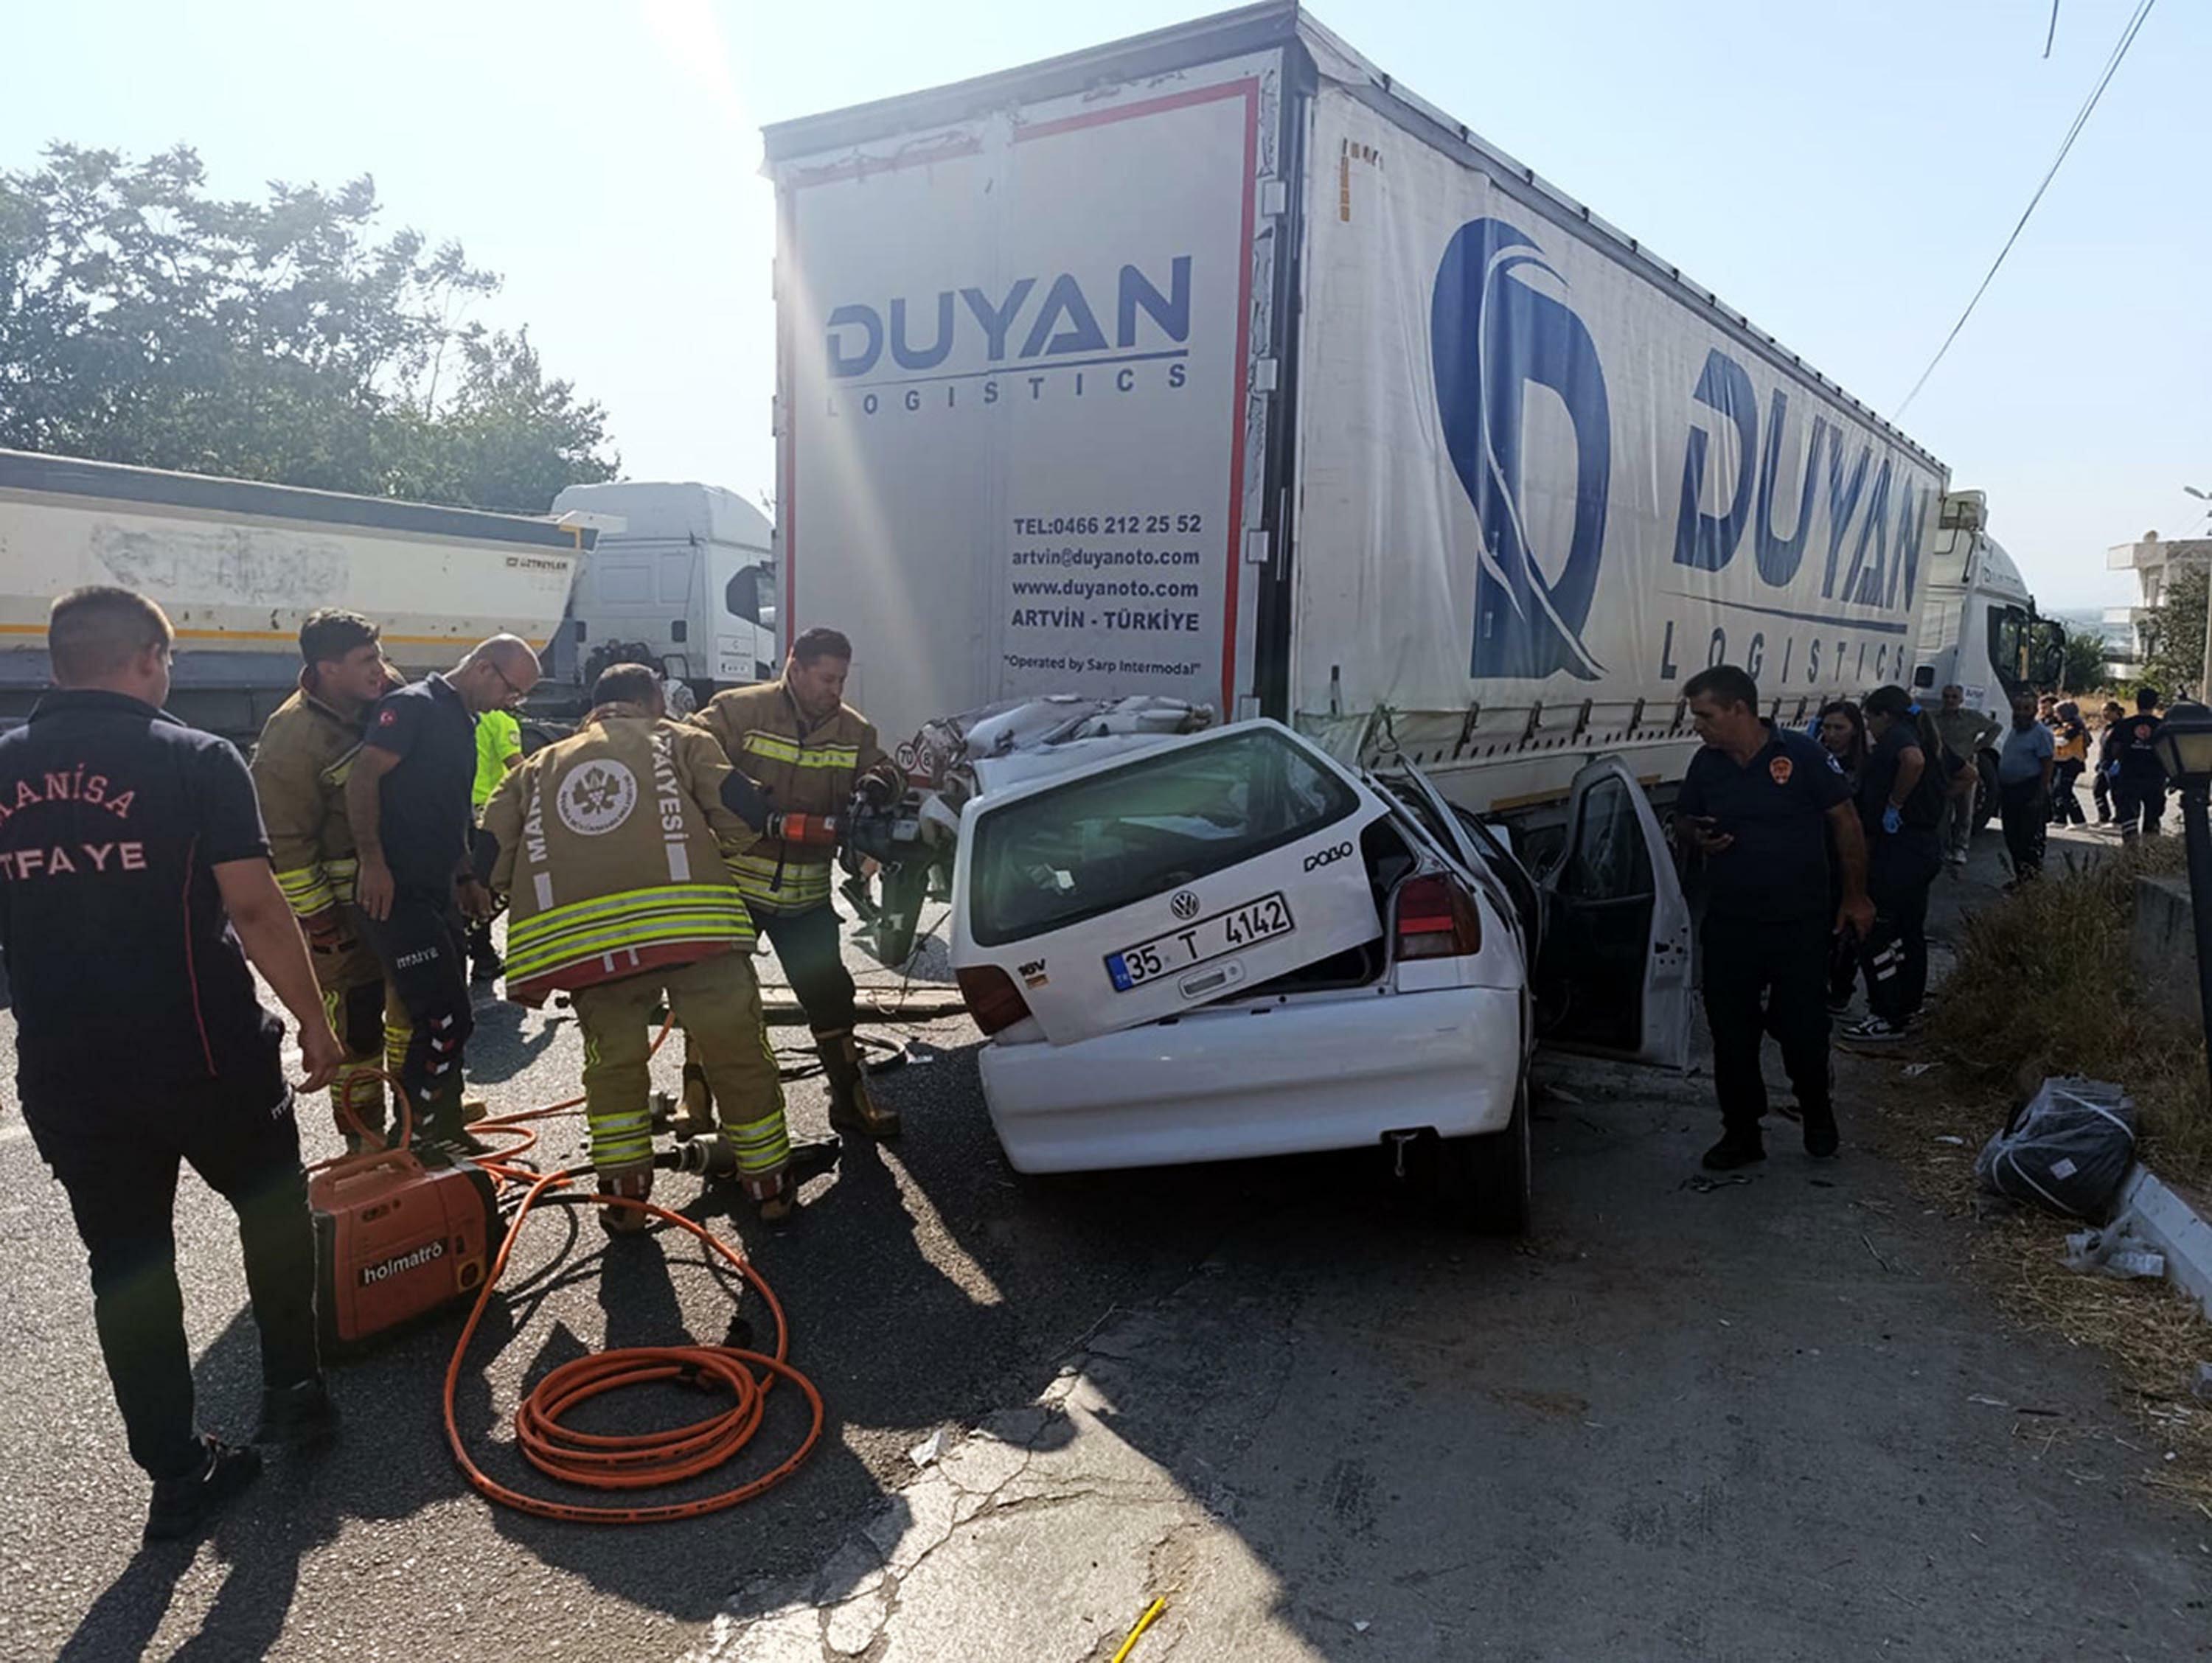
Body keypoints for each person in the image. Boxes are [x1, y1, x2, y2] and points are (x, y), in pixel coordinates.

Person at [0, 588, 345, 1542]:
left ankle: (176, 1471)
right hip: (202, 1052)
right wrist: (315, 1023)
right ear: (151, 657)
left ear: (58, 662)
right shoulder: (192, 759)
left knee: (128, 1266)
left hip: (70, 1072)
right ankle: (295, 1393)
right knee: (273, 1210)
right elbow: (257, 908)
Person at [479, 665, 796, 1224]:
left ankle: (624, 1201)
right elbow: (744, 815)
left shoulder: (533, 770)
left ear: (596, 706)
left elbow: (489, 857)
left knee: (612, 1067)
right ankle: (768, 1187)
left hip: (587, 950)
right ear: (651, 701)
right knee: (737, 1052)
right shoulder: (682, 742)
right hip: (693, 931)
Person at [692, 627, 904, 1140]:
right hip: (736, 888)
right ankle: (696, 1100)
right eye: (826, 678)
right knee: (714, 998)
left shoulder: (853, 730)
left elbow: (884, 770)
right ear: (795, 666)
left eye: (842, 679)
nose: (835, 689)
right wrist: (746, 810)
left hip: (805, 896)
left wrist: (881, 784)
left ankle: (850, 1101)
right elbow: (685, 757)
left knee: (830, 994)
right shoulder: (738, 711)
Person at [346, 635, 540, 1155]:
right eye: (512, 691)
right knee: (443, 1013)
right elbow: (363, 778)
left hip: (436, 888)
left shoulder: (465, 722)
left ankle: (444, 1127)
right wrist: (373, 861)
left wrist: (465, 877)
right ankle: (415, 1137)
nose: (510, 703)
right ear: (483, 668)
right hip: (395, 890)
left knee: (456, 1016)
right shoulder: (413, 707)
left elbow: (450, 813)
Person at [1675, 665, 1874, 1170]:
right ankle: (1742, 1132)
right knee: (1731, 1033)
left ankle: (1817, 1112)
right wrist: (1697, 836)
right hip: (1730, 922)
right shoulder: (1707, 764)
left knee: (1802, 1029)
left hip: (1798, 923)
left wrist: (1855, 898)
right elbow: (1683, 819)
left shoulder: (1801, 756)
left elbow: (1846, 823)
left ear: (1739, 709)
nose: (1697, 725)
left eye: (1705, 715)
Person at [251, 609, 402, 1151]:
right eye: (366, 660)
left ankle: (422, 1126)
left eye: (379, 656)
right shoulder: (292, 737)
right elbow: (286, 843)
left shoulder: (390, 699)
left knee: (415, 1017)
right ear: (327, 669)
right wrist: (319, 923)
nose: (380, 669)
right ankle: (365, 1142)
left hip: (404, 900)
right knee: (358, 1031)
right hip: (343, 917)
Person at [1840, 687, 1947, 1042]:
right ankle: (1906, 1007)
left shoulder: (1899, 737)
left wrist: (1896, 805)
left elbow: (1912, 762)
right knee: (1908, 931)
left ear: (1885, 715)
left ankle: (1886, 1013)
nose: (1867, 726)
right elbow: (1964, 776)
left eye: (1869, 718)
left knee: (1876, 930)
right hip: (1920, 846)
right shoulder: (1921, 734)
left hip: (1900, 849)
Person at [1815, 700, 1869, 1014]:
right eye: (1827, 727)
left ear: (1854, 730)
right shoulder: (1815, 758)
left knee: (1845, 924)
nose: (1832, 734)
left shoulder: (1864, 765)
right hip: (1816, 852)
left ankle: (1841, 987)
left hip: (1848, 855)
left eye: (1839, 728)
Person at [467, 703, 522, 982]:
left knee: (471, 882)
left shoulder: (467, 716)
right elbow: (517, 768)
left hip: (462, 810)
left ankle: (479, 950)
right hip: (489, 815)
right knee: (493, 885)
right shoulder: (501, 721)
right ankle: (483, 953)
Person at [1933, 684, 1999, 870]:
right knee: (1943, 810)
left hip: (1966, 768)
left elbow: (1995, 727)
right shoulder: (1934, 718)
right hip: (1943, 769)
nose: (1950, 701)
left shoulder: (1972, 718)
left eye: (1954, 697)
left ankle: (1960, 848)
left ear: (1961, 700)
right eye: (1946, 697)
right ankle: (1943, 847)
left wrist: (1981, 745)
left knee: (1965, 809)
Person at [1995, 688, 2056, 886]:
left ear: (2035, 711)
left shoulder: (2041, 734)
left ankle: (2031, 883)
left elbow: (2047, 765)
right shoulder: (2015, 730)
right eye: (2018, 708)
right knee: (2012, 837)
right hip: (2010, 791)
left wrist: (2040, 794)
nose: (2021, 712)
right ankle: (2020, 878)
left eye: (2026, 708)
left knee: (2029, 839)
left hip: (2029, 791)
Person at [2112, 686, 2168, 841]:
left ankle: (2131, 853)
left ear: (2137, 703)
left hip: (2130, 776)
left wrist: (2123, 759)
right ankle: (2150, 855)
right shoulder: (2163, 726)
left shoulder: (2124, 725)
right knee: (2153, 817)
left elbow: (2115, 750)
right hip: (2155, 777)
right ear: (2155, 704)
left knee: (2129, 816)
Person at [2048, 701, 2090, 826]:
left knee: (2065, 789)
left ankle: (2079, 820)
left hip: (2072, 762)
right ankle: (2059, 818)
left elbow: (2063, 741)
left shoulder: (2075, 726)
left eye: (2058, 712)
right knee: (2056, 790)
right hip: (2061, 761)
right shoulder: (2062, 725)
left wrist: (2048, 739)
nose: (2056, 715)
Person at [2092, 700, 2126, 824]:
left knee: (2116, 794)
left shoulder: (2121, 727)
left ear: (2115, 711)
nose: (2103, 713)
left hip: (2114, 765)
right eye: (2102, 711)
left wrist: (2117, 762)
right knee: (2098, 790)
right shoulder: (2108, 727)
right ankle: (2103, 817)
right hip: (2104, 764)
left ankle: (2119, 819)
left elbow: (2120, 747)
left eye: (2106, 710)